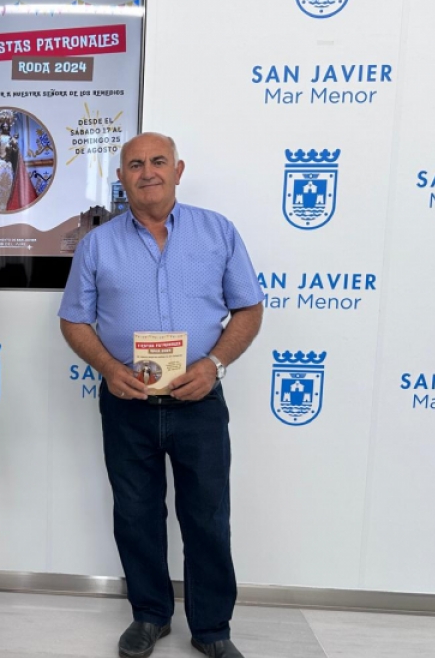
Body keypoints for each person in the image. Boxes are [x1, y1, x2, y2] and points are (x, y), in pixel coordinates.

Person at [58, 133, 264, 658]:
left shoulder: (218, 231)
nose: (147, 172)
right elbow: (74, 320)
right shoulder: (97, 245)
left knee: (208, 518)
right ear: (121, 177)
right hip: (128, 403)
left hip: (200, 400)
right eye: (135, 164)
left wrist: (213, 365)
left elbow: (249, 308)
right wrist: (108, 367)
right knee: (136, 515)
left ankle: (212, 629)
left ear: (178, 169)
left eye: (157, 162)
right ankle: (150, 615)